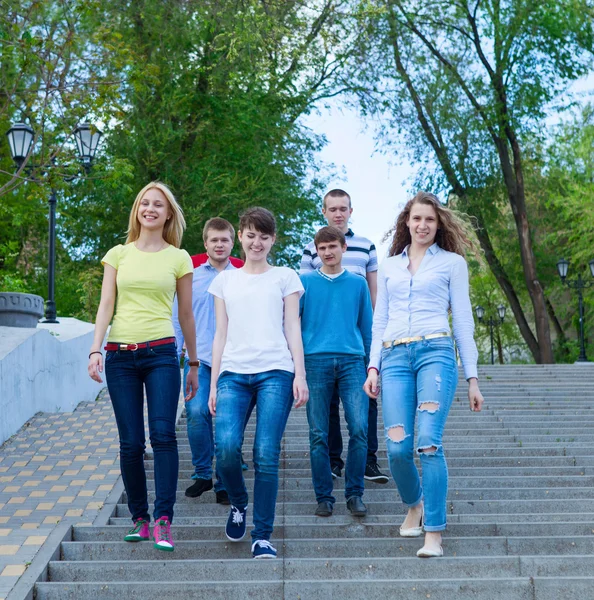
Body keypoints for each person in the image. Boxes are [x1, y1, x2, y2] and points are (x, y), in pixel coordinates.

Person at [363, 191, 484, 558]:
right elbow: (379, 319)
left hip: (436, 352)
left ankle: (434, 533)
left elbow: (462, 320)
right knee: (398, 449)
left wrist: (473, 378)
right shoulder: (389, 267)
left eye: (430, 219)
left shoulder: (452, 264)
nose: (423, 225)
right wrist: (373, 366)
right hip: (395, 356)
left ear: (438, 224)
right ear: (406, 222)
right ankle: (413, 502)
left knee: (428, 442)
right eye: (417, 218)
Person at [88, 181, 198, 553]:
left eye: (158, 205)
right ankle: (140, 519)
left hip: (162, 354)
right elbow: (106, 305)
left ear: (168, 214)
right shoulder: (118, 254)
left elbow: (186, 314)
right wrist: (95, 349)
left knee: (163, 436)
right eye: (145, 203)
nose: (150, 208)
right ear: (138, 209)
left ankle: (164, 520)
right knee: (131, 442)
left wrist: (194, 362)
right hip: (120, 355)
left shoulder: (178, 258)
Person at [208, 207, 308, 559]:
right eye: (251, 235)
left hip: (276, 372)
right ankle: (239, 502)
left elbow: (292, 327)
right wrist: (213, 384)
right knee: (226, 448)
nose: (257, 242)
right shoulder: (224, 280)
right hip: (233, 374)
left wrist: (300, 373)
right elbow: (219, 334)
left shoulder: (286, 277)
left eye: (264, 236)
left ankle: (262, 535)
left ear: (273, 240)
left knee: (266, 453)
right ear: (241, 235)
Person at [300, 189, 388, 484]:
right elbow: (300, 305)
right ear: (324, 211)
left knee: (363, 411)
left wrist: (372, 349)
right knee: (326, 414)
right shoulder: (309, 252)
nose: (338, 213)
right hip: (319, 348)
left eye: (343, 208)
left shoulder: (366, 246)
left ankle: (368, 463)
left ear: (351, 211)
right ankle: (334, 463)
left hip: (353, 343)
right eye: (332, 209)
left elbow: (373, 295)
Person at [300, 226, 372, 518]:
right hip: (315, 361)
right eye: (322, 248)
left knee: (359, 428)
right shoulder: (303, 283)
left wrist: (371, 368)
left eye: (333, 246)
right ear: (317, 252)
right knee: (318, 433)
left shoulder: (358, 284)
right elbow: (291, 325)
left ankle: (354, 493)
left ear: (344, 247)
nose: (328, 252)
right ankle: (324, 497)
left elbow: (366, 327)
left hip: (353, 361)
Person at [172, 217, 244, 505]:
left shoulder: (242, 275)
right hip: (198, 358)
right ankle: (203, 473)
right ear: (205, 243)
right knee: (197, 411)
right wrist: (176, 352)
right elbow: (180, 314)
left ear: (232, 242)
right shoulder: (192, 275)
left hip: (232, 360)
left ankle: (225, 481)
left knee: (227, 422)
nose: (219, 244)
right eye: (214, 240)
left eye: (224, 239)